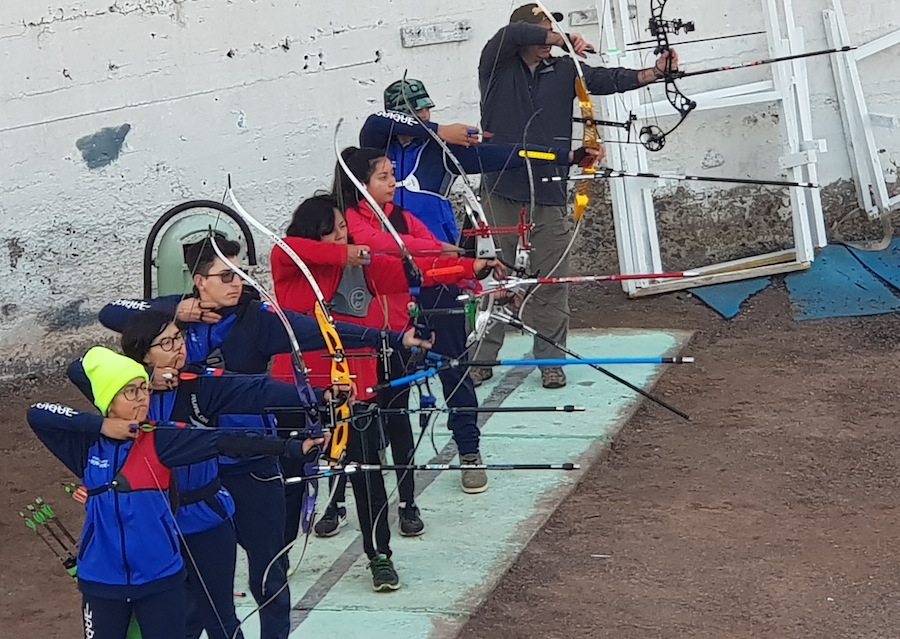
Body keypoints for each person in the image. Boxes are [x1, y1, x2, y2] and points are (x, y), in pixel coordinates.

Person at [97, 237, 430, 636]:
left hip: (252, 469)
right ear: (199, 282)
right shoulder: (175, 322)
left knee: (269, 577)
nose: (237, 283)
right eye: (225, 276)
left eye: (241, 273)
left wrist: (392, 339)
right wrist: (177, 310)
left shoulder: (258, 319)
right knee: (191, 590)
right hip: (193, 479)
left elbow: (322, 332)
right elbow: (111, 312)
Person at [271, 194, 492, 586]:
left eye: (344, 227)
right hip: (300, 390)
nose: (345, 235)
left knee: (368, 475)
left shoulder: (364, 268)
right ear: (315, 232)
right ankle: (278, 556)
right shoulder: (290, 263)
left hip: (355, 389)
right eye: (336, 229)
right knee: (292, 479)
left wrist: (466, 266)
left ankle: (380, 556)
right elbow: (288, 247)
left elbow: (414, 274)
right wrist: (346, 254)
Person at [27, 346, 320, 639]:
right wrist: (102, 425)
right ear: (108, 399)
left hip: (159, 580)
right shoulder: (86, 447)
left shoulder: (160, 438)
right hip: (101, 581)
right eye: (130, 391)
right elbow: (38, 414)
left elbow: (222, 441)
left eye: (144, 389)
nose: (142, 398)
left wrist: (291, 447)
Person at [476, 3, 679, 389]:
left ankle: (550, 360)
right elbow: (512, 36)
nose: (548, 39)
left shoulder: (564, 68)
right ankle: (481, 357)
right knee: (496, 277)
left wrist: (654, 72)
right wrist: (562, 37)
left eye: (552, 31)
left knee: (552, 279)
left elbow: (606, 79)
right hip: (502, 189)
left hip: (550, 189)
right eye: (544, 31)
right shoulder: (497, 65)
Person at [333, 146, 501, 494]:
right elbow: (382, 245)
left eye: (393, 174)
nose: (394, 182)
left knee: (455, 372)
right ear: (360, 184)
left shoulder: (402, 216)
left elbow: (427, 260)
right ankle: (370, 463)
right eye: (384, 177)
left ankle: (469, 451)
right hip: (376, 316)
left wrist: (471, 269)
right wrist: (441, 250)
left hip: (426, 301)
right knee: (383, 394)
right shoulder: (344, 222)